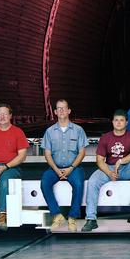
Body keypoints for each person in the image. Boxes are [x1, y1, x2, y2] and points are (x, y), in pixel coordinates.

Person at [81, 110, 130, 231]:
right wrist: (109, 173)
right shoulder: (105, 137)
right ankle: (91, 219)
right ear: (112, 122)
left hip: (126, 168)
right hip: (109, 168)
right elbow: (100, 160)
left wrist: (121, 161)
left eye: (122, 120)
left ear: (126, 122)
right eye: (116, 120)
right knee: (93, 181)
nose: (119, 123)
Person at [40, 99, 88, 233]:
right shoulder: (49, 131)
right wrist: (56, 169)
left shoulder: (78, 130)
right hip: (54, 168)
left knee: (78, 183)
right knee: (44, 182)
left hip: (73, 168)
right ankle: (57, 215)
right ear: (55, 112)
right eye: (58, 108)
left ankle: (72, 217)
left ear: (69, 111)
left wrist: (71, 168)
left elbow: (82, 152)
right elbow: (47, 154)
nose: (61, 110)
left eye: (64, 108)